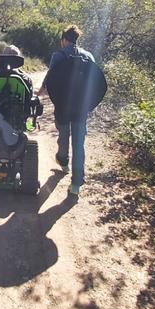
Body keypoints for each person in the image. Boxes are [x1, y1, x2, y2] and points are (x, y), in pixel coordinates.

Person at [39, 25, 96, 196]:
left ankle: (63, 162)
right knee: (79, 144)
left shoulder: (58, 55)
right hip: (81, 107)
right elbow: (94, 81)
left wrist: (40, 92)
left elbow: (49, 78)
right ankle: (76, 185)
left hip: (63, 105)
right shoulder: (88, 56)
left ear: (64, 40)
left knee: (64, 135)